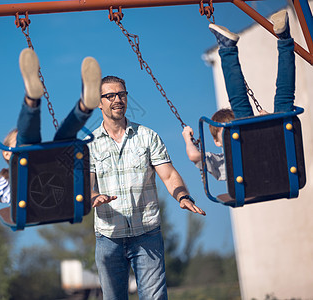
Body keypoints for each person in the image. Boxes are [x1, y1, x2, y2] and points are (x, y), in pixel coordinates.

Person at [88, 75, 206, 300]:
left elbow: (169, 174)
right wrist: (94, 195)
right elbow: (87, 183)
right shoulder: (90, 144)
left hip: (147, 234)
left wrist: (183, 196)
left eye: (122, 94)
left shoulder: (147, 137)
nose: (117, 100)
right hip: (108, 237)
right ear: (98, 102)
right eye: (110, 95)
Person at [0, 48, 101, 207]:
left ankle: (78, 104)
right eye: (15, 141)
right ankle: (83, 108)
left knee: (59, 140)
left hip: (40, 202)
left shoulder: (4, 184)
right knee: (43, 140)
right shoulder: (5, 179)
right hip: (54, 200)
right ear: (6, 153)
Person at [182, 9, 295, 180]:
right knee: (247, 103)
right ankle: (229, 48)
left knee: (284, 98)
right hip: (280, 154)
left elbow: (194, 156)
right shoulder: (267, 144)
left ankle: (285, 40)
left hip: (280, 172)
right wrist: (266, 122)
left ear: (217, 142)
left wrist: (186, 138)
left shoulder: (225, 161)